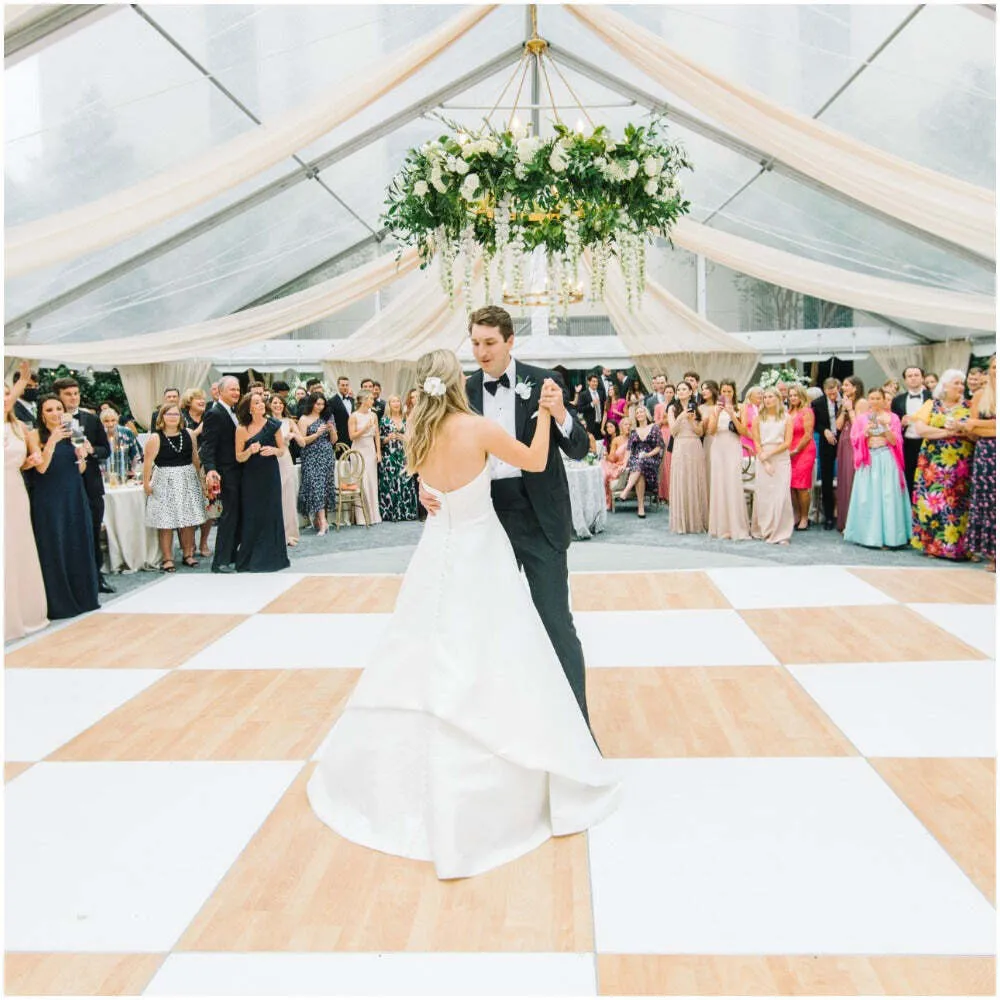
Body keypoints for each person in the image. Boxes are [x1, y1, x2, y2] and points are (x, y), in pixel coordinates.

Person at [308, 348, 619, 879]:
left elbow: (424, 485)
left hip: (436, 551)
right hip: (482, 550)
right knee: (497, 644)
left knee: (422, 644)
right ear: (457, 384)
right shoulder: (477, 428)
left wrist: (430, 491)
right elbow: (537, 461)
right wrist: (543, 416)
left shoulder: (418, 435)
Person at [421, 306, 593, 728]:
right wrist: (424, 488)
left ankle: (576, 729)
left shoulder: (545, 382)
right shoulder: (462, 390)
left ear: (510, 341)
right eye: (475, 342)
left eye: (489, 343)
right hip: (483, 520)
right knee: (487, 625)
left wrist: (563, 415)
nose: (480, 352)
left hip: (539, 520)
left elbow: (579, 448)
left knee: (556, 623)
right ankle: (499, 728)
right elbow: (435, 442)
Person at [27, 394, 100, 619]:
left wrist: (82, 455)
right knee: (54, 544)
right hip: (49, 498)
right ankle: (58, 602)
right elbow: (41, 468)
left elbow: (79, 469)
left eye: (58, 408)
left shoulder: (73, 432)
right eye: (49, 410)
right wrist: (52, 440)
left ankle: (83, 596)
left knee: (77, 541)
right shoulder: (33, 435)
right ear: (41, 414)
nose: (55, 413)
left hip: (74, 494)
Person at [52, 377, 113, 593]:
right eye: (68, 394)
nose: (73, 397)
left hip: (91, 485)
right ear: (58, 396)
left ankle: (97, 577)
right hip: (62, 485)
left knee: (93, 530)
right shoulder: (49, 421)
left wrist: (92, 451)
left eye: (76, 393)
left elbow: (106, 450)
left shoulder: (91, 419)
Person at [910, 369, 975, 561]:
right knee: (932, 503)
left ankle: (958, 549)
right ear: (944, 386)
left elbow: (974, 434)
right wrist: (948, 433)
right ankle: (933, 546)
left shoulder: (971, 406)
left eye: (961, 384)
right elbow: (921, 429)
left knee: (957, 505)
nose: (960, 387)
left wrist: (960, 429)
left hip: (960, 466)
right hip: (932, 466)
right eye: (956, 383)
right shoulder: (931, 404)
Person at [4, 383, 48, 641]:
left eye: (7, 393)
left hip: (16, 491)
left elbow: (24, 462)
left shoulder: (19, 427)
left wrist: (28, 462)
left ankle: (24, 610)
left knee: (18, 547)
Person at [844, 389, 911, 549]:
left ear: (883, 400)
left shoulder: (893, 418)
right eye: (872, 398)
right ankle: (868, 535)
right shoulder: (862, 419)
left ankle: (891, 537)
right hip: (870, 459)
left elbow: (896, 441)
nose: (874, 401)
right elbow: (855, 440)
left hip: (887, 458)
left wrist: (884, 428)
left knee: (888, 495)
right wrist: (865, 433)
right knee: (870, 497)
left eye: (878, 398)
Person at [142, 404, 206, 571]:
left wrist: (201, 479)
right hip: (165, 480)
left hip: (187, 478)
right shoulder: (155, 438)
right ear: (162, 417)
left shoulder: (189, 434)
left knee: (188, 520)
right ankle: (167, 558)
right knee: (166, 522)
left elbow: (195, 457)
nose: (172, 417)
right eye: (168, 414)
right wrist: (146, 483)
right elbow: (147, 462)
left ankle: (188, 554)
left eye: (176, 414)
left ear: (180, 417)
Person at [235, 393, 289, 573]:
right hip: (251, 477)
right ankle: (251, 558)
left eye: (261, 402)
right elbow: (238, 457)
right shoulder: (242, 429)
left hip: (270, 474)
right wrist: (250, 450)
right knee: (252, 515)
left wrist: (274, 450)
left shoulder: (273, 425)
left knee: (272, 513)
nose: (261, 405)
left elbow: (282, 450)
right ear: (249, 408)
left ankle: (273, 557)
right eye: (256, 403)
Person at [199, 375, 243, 573]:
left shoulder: (235, 412)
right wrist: (211, 469)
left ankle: (232, 555)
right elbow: (208, 445)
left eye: (238, 389)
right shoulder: (214, 413)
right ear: (221, 391)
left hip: (237, 471)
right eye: (232, 389)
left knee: (236, 516)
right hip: (225, 472)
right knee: (226, 517)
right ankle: (220, 562)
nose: (236, 393)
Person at [707, 379, 750, 540]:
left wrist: (732, 414)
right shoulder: (714, 409)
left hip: (733, 446)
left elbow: (743, 431)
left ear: (734, 392)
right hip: (718, 447)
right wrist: (717, 413)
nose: (726, 394)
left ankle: (735, 525)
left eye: (729, 391)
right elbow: (711, 431)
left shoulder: (742, 408)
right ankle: (721, 526)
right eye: (723, 391)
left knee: (733, 483)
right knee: (719, 483)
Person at [964, 355, 996, 572]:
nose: (997, 370)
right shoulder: (980, 396)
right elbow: (971, 430)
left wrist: (978, 424)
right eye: (994, 366)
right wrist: (985, 426)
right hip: (986, 454)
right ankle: (993, 554)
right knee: (987, 503)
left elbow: (975, 424)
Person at [751, 388, 794, 545]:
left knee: (781, 495)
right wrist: (763, 457)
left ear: (778, 398)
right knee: (765, 495)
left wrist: (770, 454)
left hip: (780, 458)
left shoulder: (786, 418)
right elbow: (756, 440)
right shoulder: (758, 418)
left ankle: (781, 533)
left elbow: (788, 442)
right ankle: (765, 529)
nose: (767, 399)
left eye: (770, 396)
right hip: (763, 457)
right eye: (765, 397)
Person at [667, 381, 707, 534]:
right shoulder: (672, 408)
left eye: (684, 389)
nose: (681, 391)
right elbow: (673, 431)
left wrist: (691, 420)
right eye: (679, 389)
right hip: (680, 445)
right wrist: (682, 416)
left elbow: (700, 432)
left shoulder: (697, 408)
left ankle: (696, 520)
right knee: (682, 480)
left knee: (694, 480)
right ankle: (682, 521)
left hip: (695, 446)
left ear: (691, 392)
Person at [297, 392, 337, 535]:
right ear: (312, 403)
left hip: (326, 455)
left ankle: (321, 521)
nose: (320, 407)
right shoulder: (304, 419)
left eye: (322, 404)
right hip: (310, 456)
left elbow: (333, 441)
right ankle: (322, 521)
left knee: (324, 487)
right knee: (315, 486)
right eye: (317, 404)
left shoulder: (328, 417)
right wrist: (316, 434)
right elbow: (301, 441)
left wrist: (332, 430)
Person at [891, 365, 933, 498]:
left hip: (928, 443)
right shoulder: (897, 400)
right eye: (910, 376)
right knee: (909, 477)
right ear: (905, 380)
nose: (913, 378)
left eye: (916, 375)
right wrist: (901, 424)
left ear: (922, 378)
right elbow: (893, 424)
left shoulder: (932, 397)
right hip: (907, 444)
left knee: (929, 477)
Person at [835, 376, 868, 533]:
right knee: (844, 478)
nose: (843, 388)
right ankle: (845, 520)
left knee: (852, 478)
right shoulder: (845, 403)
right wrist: (843, 409)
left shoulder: (862, 402)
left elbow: (859, 426)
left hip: (855, 441)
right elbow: (838, 425)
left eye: (846, 385)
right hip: (844, 440)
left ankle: (855, 522)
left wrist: (850, 409)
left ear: (855, 387)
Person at [270, 393, 303, 546]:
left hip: (285, 460)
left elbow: (302, 442)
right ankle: (275, 534)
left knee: (288, 496)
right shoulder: (267, 421)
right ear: (270, 405)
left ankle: (289, 533)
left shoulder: (289, 421)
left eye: (280, 403)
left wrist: (294, 435)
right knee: (274, 496)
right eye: (275, 403)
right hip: (271, 460)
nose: (278, 405)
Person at [378, 395, 418, 522]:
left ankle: (406, 512)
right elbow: (378, 440)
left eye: (397, 401)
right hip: (389, 456)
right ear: (389, 405)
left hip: (404, 455)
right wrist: (387, 439)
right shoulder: (384, 420)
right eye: (393, 401)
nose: (396, 404)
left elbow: (413, 438)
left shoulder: (406, 419)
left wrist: (404, 438)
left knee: (405, 482)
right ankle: (391, 513)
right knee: (390, 483)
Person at [619, 405, 663, 518]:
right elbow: (629, 450)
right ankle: (641, 508)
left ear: (646, 414)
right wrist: (624, 464)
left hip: (651, 458)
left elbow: (659, 447)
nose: (639, 414)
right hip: (636, 460)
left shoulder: (655, 427)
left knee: (641, 462)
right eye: (637, 413)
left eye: (641, 412)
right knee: (639, 467)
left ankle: (626, 490)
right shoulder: (633, 432)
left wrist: (647, 454)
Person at [347, 389, 381, 525]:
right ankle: (362, 517)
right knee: (362, 481)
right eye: (370, 399)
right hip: (358, 450)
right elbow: (352, 436)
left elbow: (377, 434)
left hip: (370, 450)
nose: (372, 401)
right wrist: (365, 428)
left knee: (372, 481)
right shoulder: (354, 416)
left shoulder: (374, 415)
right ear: (363, 400)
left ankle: (374, 515)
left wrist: (378, 452)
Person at [811, 377, 840, 530]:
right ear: (824, 389)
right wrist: (825, 431)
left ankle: (842, 514)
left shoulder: (844, 403)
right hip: (826, 443)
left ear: (838, 388)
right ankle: (828, 517)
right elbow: (815, 423)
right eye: (829, 389)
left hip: (843, 441)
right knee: (827, 482)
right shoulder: (817, 403)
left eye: (834, 389)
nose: (832, 392)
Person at [786, 384, 816, 531]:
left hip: (804, 451)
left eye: (795, 395)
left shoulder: (807, 411)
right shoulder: (788, 412)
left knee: (802, 486)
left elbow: (808, 434)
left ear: (801, 396)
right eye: (790, 395)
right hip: (788, 451)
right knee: (791, 486)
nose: (793, 398)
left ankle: (805, 517)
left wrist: (797, 450)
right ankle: (796, 515)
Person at [99, 404, 141, 479]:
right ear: (101, 422)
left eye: (113, 420)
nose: (110, 424)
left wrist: (135, 471)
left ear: (117, 420)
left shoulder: (126, 432)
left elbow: (136, 455)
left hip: (126, 476)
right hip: (104, 478)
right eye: (106, 421)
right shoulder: (98, 435)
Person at [601, 416, 630, 510]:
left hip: (629, 465)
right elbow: (612, 458)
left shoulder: (634, 438)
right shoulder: (616, 440)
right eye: (626, 424)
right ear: (621, 427)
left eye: (630, 424)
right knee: (604, 473)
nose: (628, 426)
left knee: (608, 473)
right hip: (617, 464)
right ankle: (606, 501)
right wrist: (606, 456)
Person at [330, 375, 354, 448]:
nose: (345, 387)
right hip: (340, 437)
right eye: (343, 385)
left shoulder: (352, 400)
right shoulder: (331, 401)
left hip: (353, 437)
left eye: (347, 385)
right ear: (338, 386)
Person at [579, 374, 604, 438]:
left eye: (596, 381)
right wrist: (591, 404)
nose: (595, 383)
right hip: (590, 424)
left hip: (601, 424)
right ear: (588, 382)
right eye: (593, 381)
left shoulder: (601, 393)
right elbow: (580, 409)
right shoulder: (583, 394)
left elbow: (604, 407)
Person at [740, 386, 761, 457]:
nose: (761, 395)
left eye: (762, 393)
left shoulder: (763, 409)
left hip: (761, 444)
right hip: (747, 442)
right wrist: (756, 439)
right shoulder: (745, 407)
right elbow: (743, 428)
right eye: (758, 393)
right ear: (750, 396)